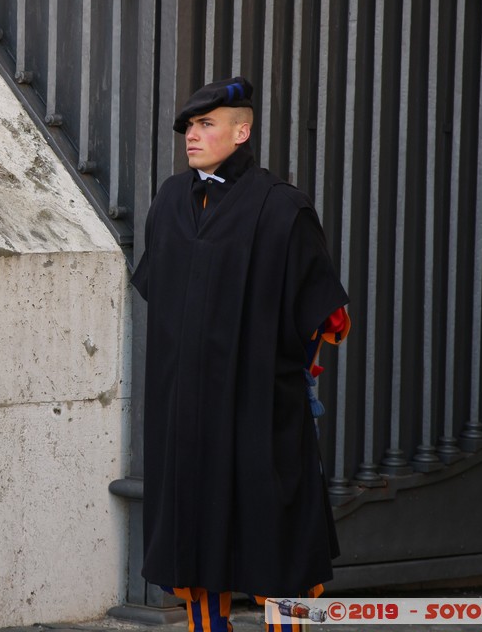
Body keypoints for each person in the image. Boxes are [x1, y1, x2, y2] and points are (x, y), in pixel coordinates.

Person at [131, 77, 351, 632]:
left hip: (260, 409)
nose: (192, 135)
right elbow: (160, 291)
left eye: (207, 124)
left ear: (242, 130)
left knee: (276, 534)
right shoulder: (170, 199)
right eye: (189, 127)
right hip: (185, 411)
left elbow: (330, 318)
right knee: (195, 535)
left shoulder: (282, 208)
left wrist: (289, 365)